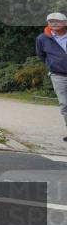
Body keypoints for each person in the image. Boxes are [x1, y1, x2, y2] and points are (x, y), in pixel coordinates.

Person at [36, 12, 67, 142]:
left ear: (65, 23)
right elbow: (41, 56)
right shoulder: (42, 38)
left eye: (57, 21)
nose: (54, 23)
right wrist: (51, 67)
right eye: (51, 21)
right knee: (64, 105)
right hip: (58, 76)